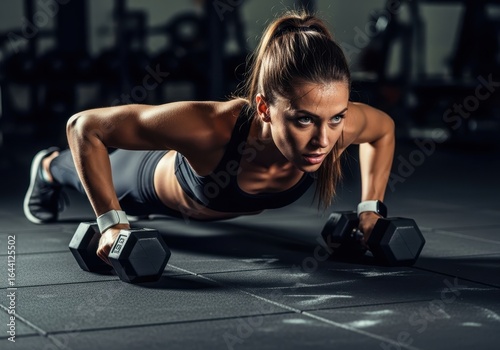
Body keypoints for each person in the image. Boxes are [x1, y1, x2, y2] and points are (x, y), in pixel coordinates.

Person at [23, 11, 395, 265]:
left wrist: (370, 208)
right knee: (75, 168)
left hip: (205, 208)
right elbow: (84, 127)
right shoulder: (212, 127)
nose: (323, 140)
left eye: (336, 118)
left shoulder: (335, 125)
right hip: (146, 181)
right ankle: (47, 167)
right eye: (304, 120)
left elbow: (383, 131)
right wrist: (111, 222)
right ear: (264, 109)